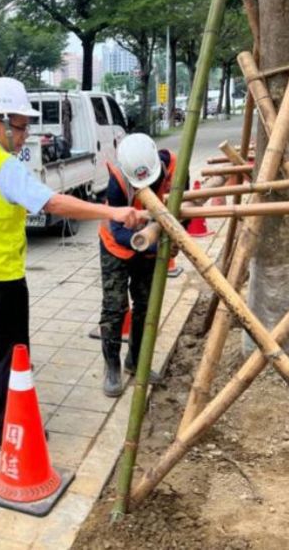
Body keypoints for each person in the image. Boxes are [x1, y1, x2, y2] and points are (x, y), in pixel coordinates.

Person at [0, 77, 145, 447]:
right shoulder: (5, 167)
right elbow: (52, 203)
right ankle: (9, 433)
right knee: (12, 357)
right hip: (2, 280)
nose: (24, 137)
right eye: (20, 128)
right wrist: (112, 211)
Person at [98, 133, 182, 397]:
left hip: (149, 246)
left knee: (145, 306)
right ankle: (112, 366)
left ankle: (135, 361)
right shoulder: (118, 182)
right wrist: (157, 244)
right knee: (115, 307)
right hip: (117, 246)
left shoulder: (175, 169)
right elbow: (120, 232)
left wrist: (177, 235)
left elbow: (184, 208)